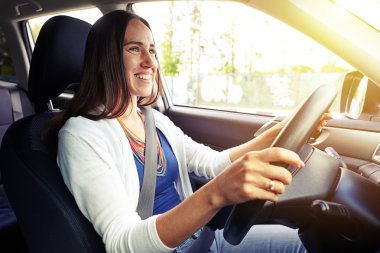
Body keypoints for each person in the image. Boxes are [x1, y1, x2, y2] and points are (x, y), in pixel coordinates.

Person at [55, 10, 331, 253]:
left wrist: (282, 131)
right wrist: (217, 194)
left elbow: (213, 163)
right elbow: (123, 244)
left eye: (152, 50)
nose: (150, 62)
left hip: (204, 240)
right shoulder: (81, 136)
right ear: (104, 61)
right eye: (134, 49)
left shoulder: (154, 121)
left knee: (300, 240)